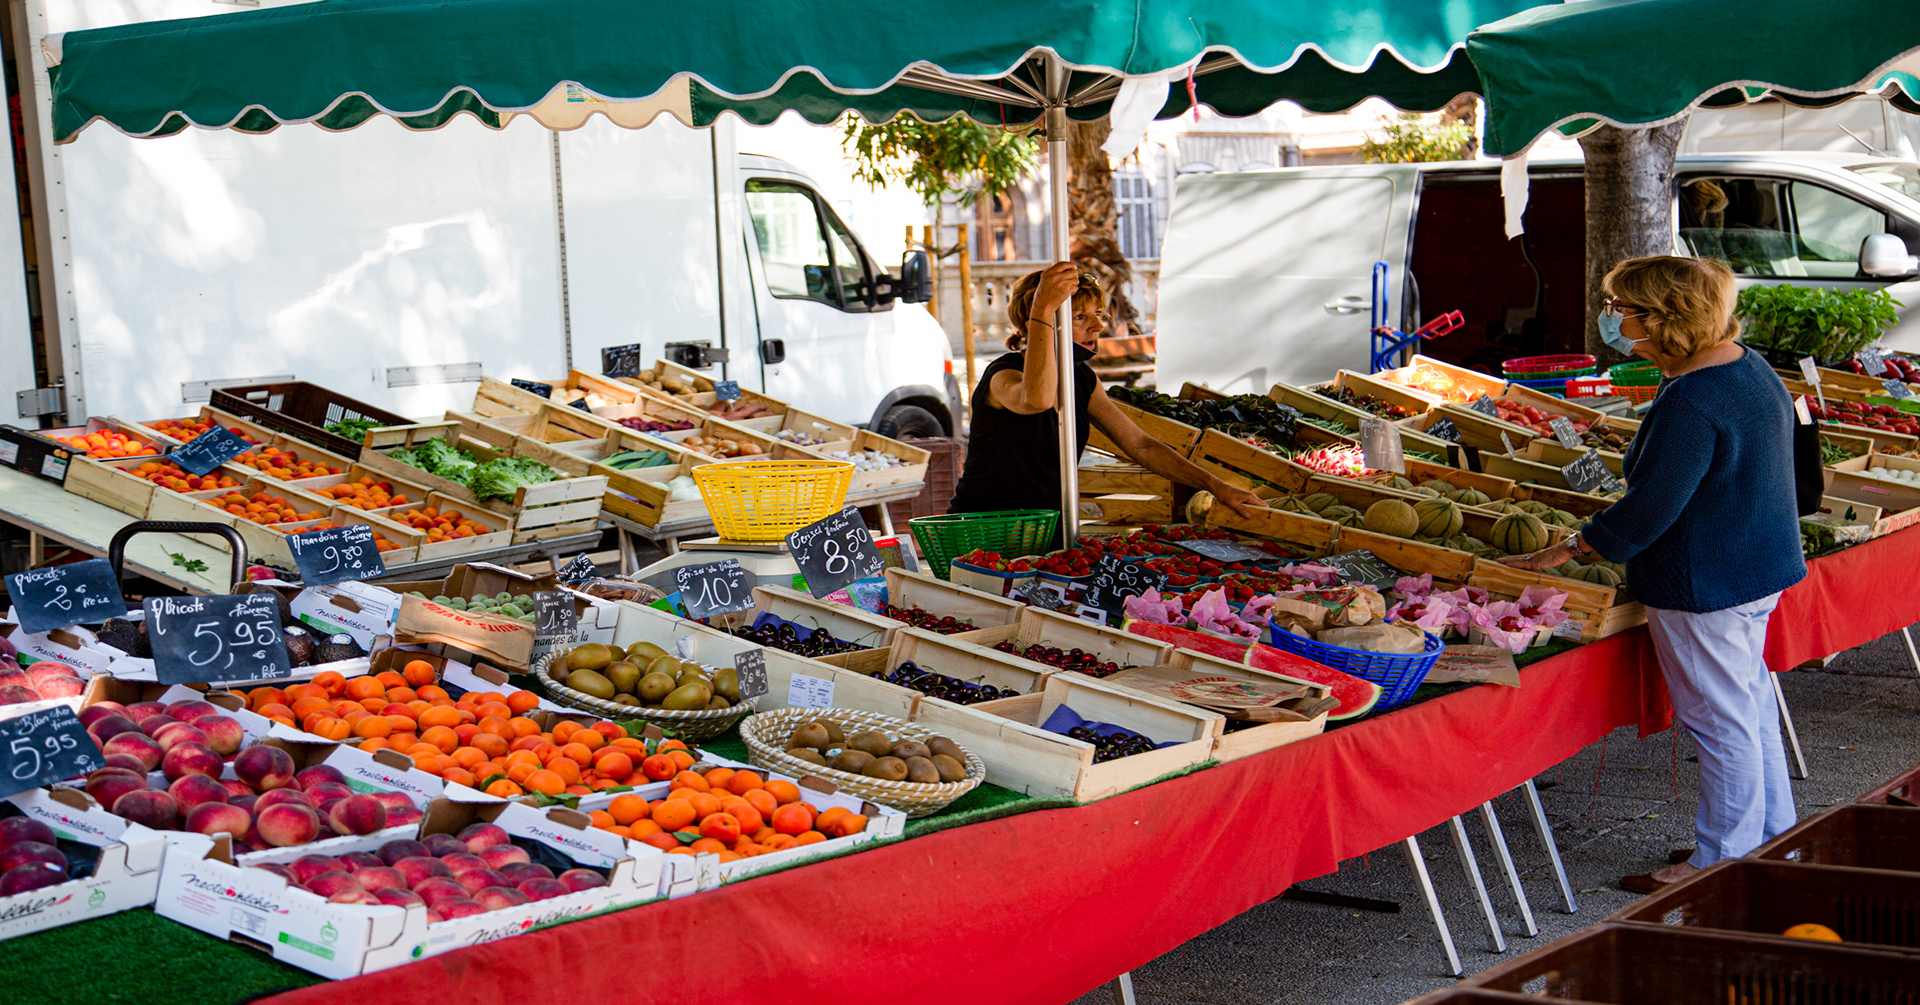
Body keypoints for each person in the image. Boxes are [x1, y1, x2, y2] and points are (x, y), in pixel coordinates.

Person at [1499, 255, 1806, 894]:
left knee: (1719, 718)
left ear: (1664, 317)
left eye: (1623, 310)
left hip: (1706, 580)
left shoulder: (1693, 398)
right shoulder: (1744, 365)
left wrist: (1573, 549)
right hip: (1754, 567)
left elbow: (1654, 505)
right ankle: (1772, 834)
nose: (1614, 320)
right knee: (1745, 706)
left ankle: (1719, 860)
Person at [947, 262, 1264, 536]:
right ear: (1041, 323)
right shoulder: (1003, 374)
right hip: (985, 527)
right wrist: (1043, 306)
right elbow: (1038, 399)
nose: (1098, 325)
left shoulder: (1082, 377)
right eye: (1080, 317)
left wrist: (1217, 486)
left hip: (1047, 528)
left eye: (1097, 314)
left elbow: (1141, 445)